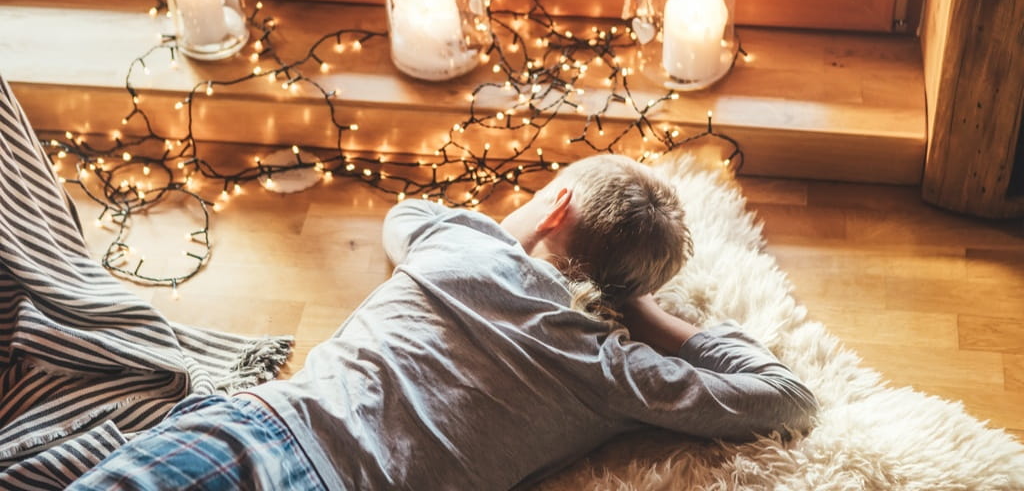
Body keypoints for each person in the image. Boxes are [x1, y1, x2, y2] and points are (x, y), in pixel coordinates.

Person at [70, 154, 818, 490]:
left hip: (265, 434)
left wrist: (511, 230)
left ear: (554, 205)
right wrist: (640, 310)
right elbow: (783, 395)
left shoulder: (462, 243)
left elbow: (406, 214)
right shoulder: (612, 374)